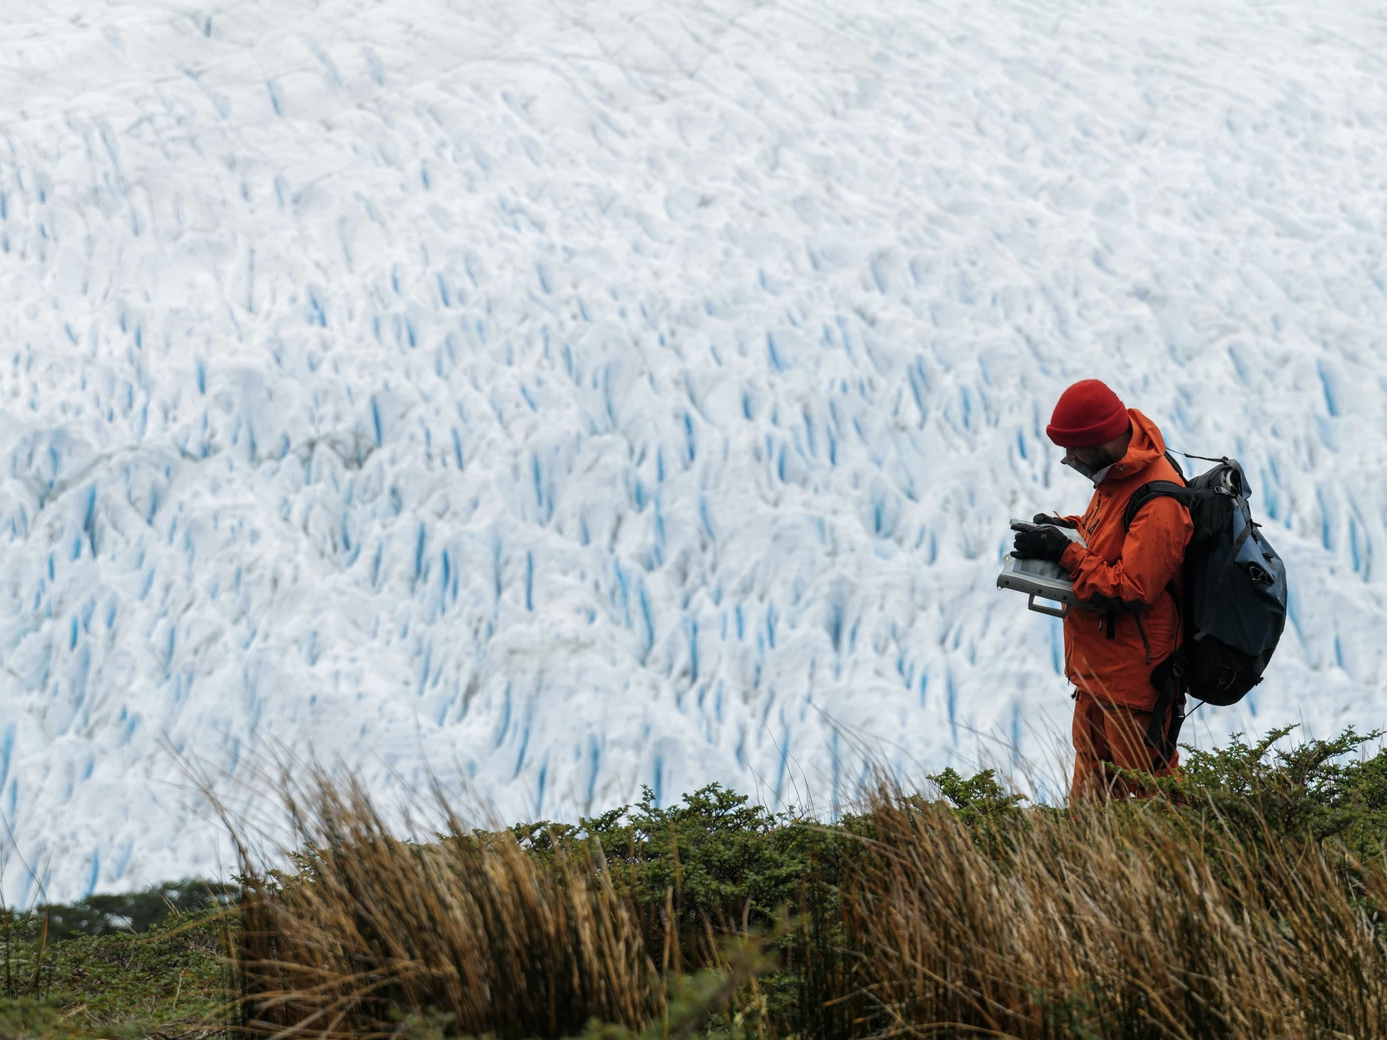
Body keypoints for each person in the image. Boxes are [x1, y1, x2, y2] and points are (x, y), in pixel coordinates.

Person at [1012, 379, 1194, 800]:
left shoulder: (1160, 501)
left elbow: (1132, 588)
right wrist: (1063, 531)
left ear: (1100, 439)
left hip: (1135, 682)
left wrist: (1065, 554)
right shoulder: (1118, 476)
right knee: (1092, 797)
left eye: (1073, 448)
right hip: (1097, 674)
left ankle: (1177, 864)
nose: (1067, 458)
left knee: (1151, 795)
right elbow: (1106, 539)